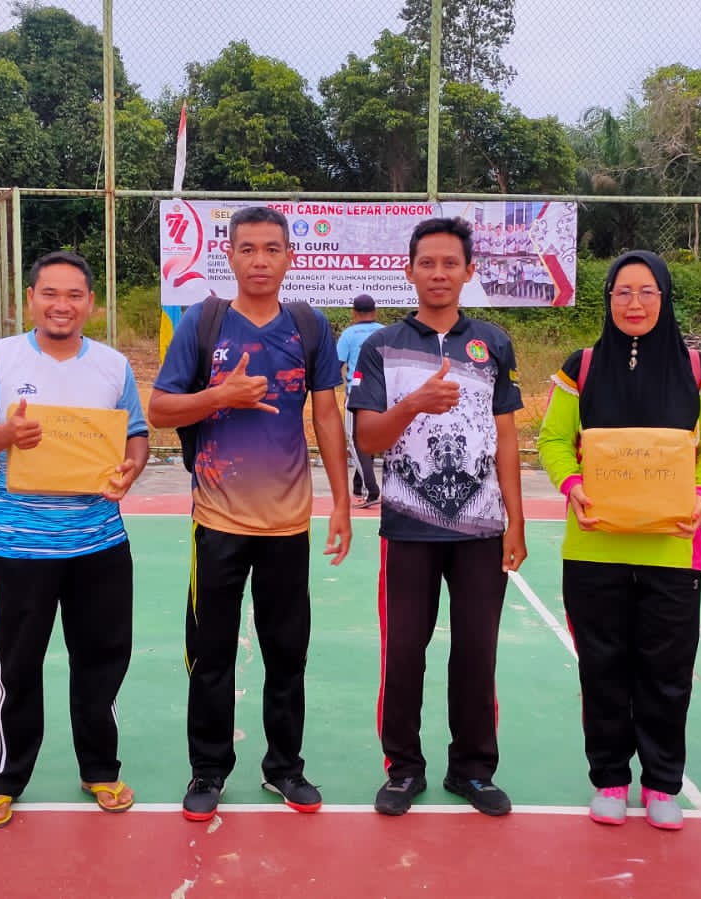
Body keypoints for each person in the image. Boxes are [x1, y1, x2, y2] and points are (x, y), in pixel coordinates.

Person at [148, 205, 352, 821]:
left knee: (287, 655)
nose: (260, 260)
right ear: (229, 256)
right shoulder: (203, 323)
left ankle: (284, 768)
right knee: (210, 655)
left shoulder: (310, 327)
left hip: (288, 524)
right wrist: (221, 395)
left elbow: (326, 417)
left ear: (290, 256)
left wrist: (342, 502)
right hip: (216, 522)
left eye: (271, 249)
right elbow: (160, 409)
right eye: (248, 249)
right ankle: (208, 769)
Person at [535, 250, 701, 831]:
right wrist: (572, 484)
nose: (634, 303)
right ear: (608, 299)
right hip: (594, 548)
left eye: (647, 292)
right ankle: (609, 779)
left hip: (673, 549)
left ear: (664, 298)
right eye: (622, 292)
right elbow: (553, 440)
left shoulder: (700, 369)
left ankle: (662, 783)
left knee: (667, 673)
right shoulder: (581, 367)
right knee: (602, 669)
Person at [0, 251, 149, 826]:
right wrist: (7, 434)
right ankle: (3, 778)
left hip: (100, 544)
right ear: (30, 299)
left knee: (102, 662)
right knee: (15, 668)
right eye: (50, 293)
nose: (62, 305)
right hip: (21, 547)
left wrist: (132, 468)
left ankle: (101, 769)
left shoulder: (112, 366)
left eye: (74, 295)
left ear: (91, 303)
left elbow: (136, 436)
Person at [349, 217, 526, 817]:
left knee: (476, 653)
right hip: (408, 529)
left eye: (451, 263)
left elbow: (506, 438)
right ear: (409, 271)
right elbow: (368, 439)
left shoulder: (493, 343)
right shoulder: (381, 346)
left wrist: (516, 521)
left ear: (469, 271)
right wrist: (415, 404)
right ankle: (403, 768)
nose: (439, 273)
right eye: (427, 263)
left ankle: (472, 769)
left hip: (482, 529)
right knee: (404, 653)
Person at [335, 293, 385, 507]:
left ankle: (371, 489)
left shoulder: (349, 334)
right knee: (371, 437)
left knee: (356, 441)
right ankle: (358, 483)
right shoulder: (385, 332)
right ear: (375, 312)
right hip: (383, 393)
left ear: (353, 313)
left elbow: (336, 364)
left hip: (357, 393)